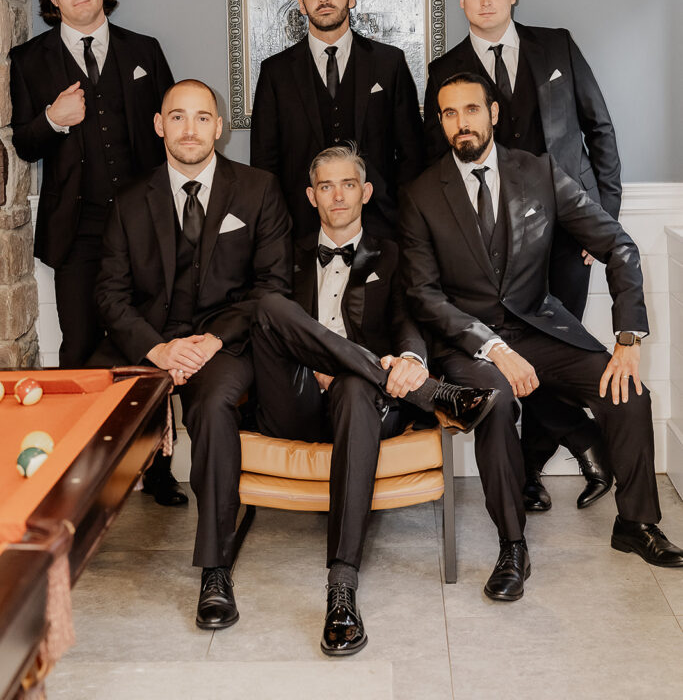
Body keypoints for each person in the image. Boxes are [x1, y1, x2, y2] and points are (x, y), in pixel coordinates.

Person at [401, 73, 683, 601]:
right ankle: (513, 546)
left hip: (539, 325)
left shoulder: (540, 171)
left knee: (628, 392)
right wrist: (492, 347)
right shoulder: (420, 194)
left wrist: (628, 336)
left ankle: (636, 523)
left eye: (471, 109)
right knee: (494, 405)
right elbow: (423, 294)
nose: (462, 123)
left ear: (493, 113)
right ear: (439, 122)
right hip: (469, 344)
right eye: (449, 114)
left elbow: (619, 245)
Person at [251, 143, 496, 655]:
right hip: (296, 398)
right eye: (325, 186)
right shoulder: (286, 252)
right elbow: (272, 327)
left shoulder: (394, 253)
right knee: (268, 304)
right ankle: (437, 396)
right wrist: (323, 363)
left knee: (356, 385)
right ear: (311, 196)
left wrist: (409, 360)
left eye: (347, 184)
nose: (337, 196)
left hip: (364, 405)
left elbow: (410, 321)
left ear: (365, 192)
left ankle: (341, 589)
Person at [423, 0, 619, 512]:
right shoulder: (442, 70)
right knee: (509, 352)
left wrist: (602, 220)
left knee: (555, 349)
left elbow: (599, 128)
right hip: (489, 242)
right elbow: (438, 159)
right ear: (461, 0)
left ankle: (532, 469)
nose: (485, 1)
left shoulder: (557, 45)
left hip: (568, 233)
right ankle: (582, 440)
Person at [94, 79, 292, 629]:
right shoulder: (130, 201)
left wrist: (212, 341)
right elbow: (109, 295)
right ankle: (54, 549)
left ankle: (215, 567)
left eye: (202, 117)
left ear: (219, 127)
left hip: (224, 341)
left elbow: (272, 287)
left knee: (214, 405)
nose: (189, 129)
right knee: (89, 394)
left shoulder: (258, 189)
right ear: (160, 125)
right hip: (152, 339)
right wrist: (157, 348)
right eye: (177, 117)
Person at [10, 0, 174, 370]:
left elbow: (172, 130)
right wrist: (53, 119)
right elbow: (24, 144)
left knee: (148, 342)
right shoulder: (28, 61)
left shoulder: (145, 51)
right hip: (76, 228)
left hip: (145, 220)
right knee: (79, 345)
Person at [250, 0, 424, 239]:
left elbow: (411, 150)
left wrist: (403, 215)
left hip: (382, 223)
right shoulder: (275, 72)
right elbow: (264, 161)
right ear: (302, 5)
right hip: (299, 230)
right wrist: (276, 225)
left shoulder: (388, 62)